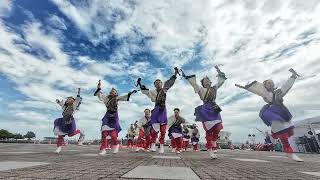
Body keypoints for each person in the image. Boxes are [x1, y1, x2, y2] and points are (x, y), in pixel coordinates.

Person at [235, 68, 303, 162]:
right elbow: (256, 89)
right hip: (272, 112)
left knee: (287, 132)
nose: (271, 84)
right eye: (268, 83)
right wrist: (244, 87)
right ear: (265, 86)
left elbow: (286, 86)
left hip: (282, 111)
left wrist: (293, 76)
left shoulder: (279, 92)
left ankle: (288, 151)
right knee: (282, 133)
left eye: (272, 82)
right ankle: (289, 152)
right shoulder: (264, 92)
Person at [182, 66, 227, 159]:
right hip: (206, 109)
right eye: (204, 81)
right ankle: (210, 149)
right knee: (209, 131)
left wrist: (219, 72)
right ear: (202, 83)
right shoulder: (201, 89)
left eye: (208, 80)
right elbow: (194, 84)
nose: (207, 81)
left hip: (214, 108)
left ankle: (214, 140)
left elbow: (221, 81)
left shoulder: (214, 88)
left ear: (210, 82)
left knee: (218, 127)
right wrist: (186, 76)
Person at [139, 68, 178, 153]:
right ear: (154, 85)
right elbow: (145, 91)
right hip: (156, 110)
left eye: (159, 82)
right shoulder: (152, 92)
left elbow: (170, 82)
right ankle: (153, 144)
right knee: (154, 130)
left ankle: (161, 146)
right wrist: (140, 84)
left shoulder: (164, 89)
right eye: (156, 83)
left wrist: (175, 74)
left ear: (161, 84)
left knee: (163, 131)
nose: (158, 84)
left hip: (163, 110)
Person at [94, 80, 137, 155]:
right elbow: (100, 94)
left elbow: (124, 96)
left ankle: (116, 144)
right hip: (107, 115)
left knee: (113, 135)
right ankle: (103, 149)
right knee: (104, 133)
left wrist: (131, 93)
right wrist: (98, 87)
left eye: (114, 91)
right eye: (111, 91)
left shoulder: (117, 98)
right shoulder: (106, 98)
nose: (112, 92)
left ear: (116, 93)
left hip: (114, 116)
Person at [53, 88, 85, 154]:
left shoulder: (73, 106)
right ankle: (59, 147)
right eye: (67, 99)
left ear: (73, 101)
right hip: (63, 121)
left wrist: (78, 93)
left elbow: (77, 100)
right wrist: (59, 102)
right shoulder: (65, 106)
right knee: (60, 134)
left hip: (70, 121)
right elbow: (61, 105)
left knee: (71, 134)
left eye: (69, 99)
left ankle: (80, 131)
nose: (67, 100)